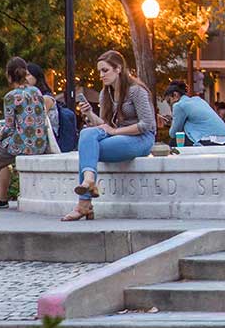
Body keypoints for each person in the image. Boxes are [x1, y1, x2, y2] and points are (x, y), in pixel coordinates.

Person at [64, 50, 156, 222]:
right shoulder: (104, 94)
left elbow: (147, 124)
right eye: (100, 71)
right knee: (86, 134)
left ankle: (84, 204)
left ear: (118, 68)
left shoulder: (136, 91)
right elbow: (105, 125)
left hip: (141, 139)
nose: (101, 75)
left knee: (88, 149)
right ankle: (89, 181)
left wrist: (115, 132)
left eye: (105, 70)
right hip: (117, 138)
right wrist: (90, 114)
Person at [0, 57, 53, 210]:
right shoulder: (36, 91)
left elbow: (9, 128)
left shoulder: (11, 97)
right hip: (39, 143)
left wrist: (1, 133)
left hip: (22, 145)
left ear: (9, 76)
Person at [164, 81, 225, 146]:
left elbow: (173, 133)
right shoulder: (198, 100)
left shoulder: (179, 105)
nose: (169, 105)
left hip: (207, 139)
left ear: (175, 95)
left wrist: (172, 123)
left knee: (174, 141)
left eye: (169, 101)